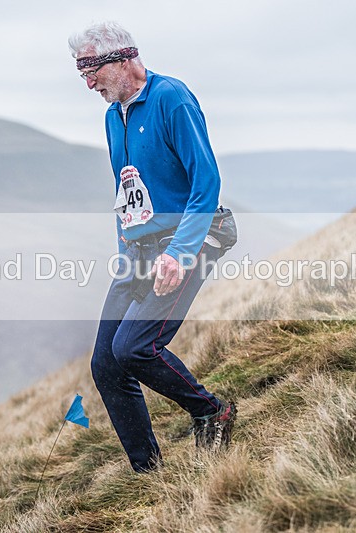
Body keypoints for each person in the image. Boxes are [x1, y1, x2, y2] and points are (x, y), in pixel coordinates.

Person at [68, 21, 236, 473]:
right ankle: (148, 471)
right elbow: (127, 196)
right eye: (80, 72)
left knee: (135, 348)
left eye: (91, 70)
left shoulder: (171, 98)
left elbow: (206, 181)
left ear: (123, 58)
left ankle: (211, 411)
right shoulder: (112, 117)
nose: (87, 82)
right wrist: (126, 251)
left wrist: (179, 254)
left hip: (191, 239)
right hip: (140, 250)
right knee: (106, 363)